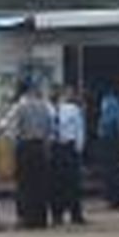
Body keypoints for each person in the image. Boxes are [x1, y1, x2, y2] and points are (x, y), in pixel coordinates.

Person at [3, 82, 53, 229]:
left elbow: (11, 128)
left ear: (20, 92)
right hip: (40, 147)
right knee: (40, 183)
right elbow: (49, 128)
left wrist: (14, 141)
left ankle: (26, 218)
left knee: (24, 183)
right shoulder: (44, 106)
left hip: (25, 147)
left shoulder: (20, 106)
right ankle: (41, 218)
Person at [50, 86, 88, 226]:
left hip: (68, 147)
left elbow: (79, 129)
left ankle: (75, 214)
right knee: (56, 184)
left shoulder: (72, 109)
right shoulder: (49, 110)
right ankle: (57, 215)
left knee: (72, 182)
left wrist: (79, 148)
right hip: (56, 147)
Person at [96, 87, 119, 210]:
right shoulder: (116, 103)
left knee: (109, 170)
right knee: (115, 170)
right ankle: (116, 198)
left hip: (108, 140)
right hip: (114, 140)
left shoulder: (108, 103)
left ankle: (112, 198)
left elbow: (110, 123)